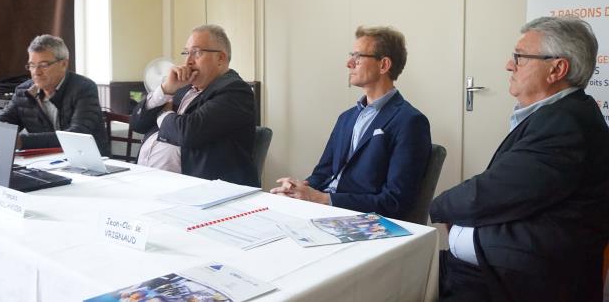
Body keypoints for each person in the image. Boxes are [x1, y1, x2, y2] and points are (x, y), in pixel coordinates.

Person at [430, 16, 609, 302]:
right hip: (497, 268)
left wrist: (437, 207)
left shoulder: (565, 124)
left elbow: (487, 195)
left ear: (557, 69)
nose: (508, 65)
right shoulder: (559, 115)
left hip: (516, 282)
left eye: (520, 57)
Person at [270, 26, 431, 219]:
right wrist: (299, 188)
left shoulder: (410, 122)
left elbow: (395, 201)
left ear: (384, 65)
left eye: (358, 57)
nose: (349, 63)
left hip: (362, 220)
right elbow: (322, 174)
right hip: (323, 211)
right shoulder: (346, 118)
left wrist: (322, 199)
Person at [131, 24, 258, 186]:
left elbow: (188, 132)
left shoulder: (235, 91)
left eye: (197, 53)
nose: (188, 61)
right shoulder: (181, 87)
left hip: (204, 192)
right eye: (186, 53)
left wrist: (163, 115)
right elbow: (137, 124)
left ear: (221, 58)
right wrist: (165, 90)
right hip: (145, 180)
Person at [0, 34, 109, 156]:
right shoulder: (24, 91)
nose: (36, 72)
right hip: (45, 161)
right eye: (32, 65)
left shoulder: (84, 88)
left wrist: (21, 142)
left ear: (64, 64)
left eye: (44, 65)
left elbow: (77, 135)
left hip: (88, 161)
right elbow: (2, 120)